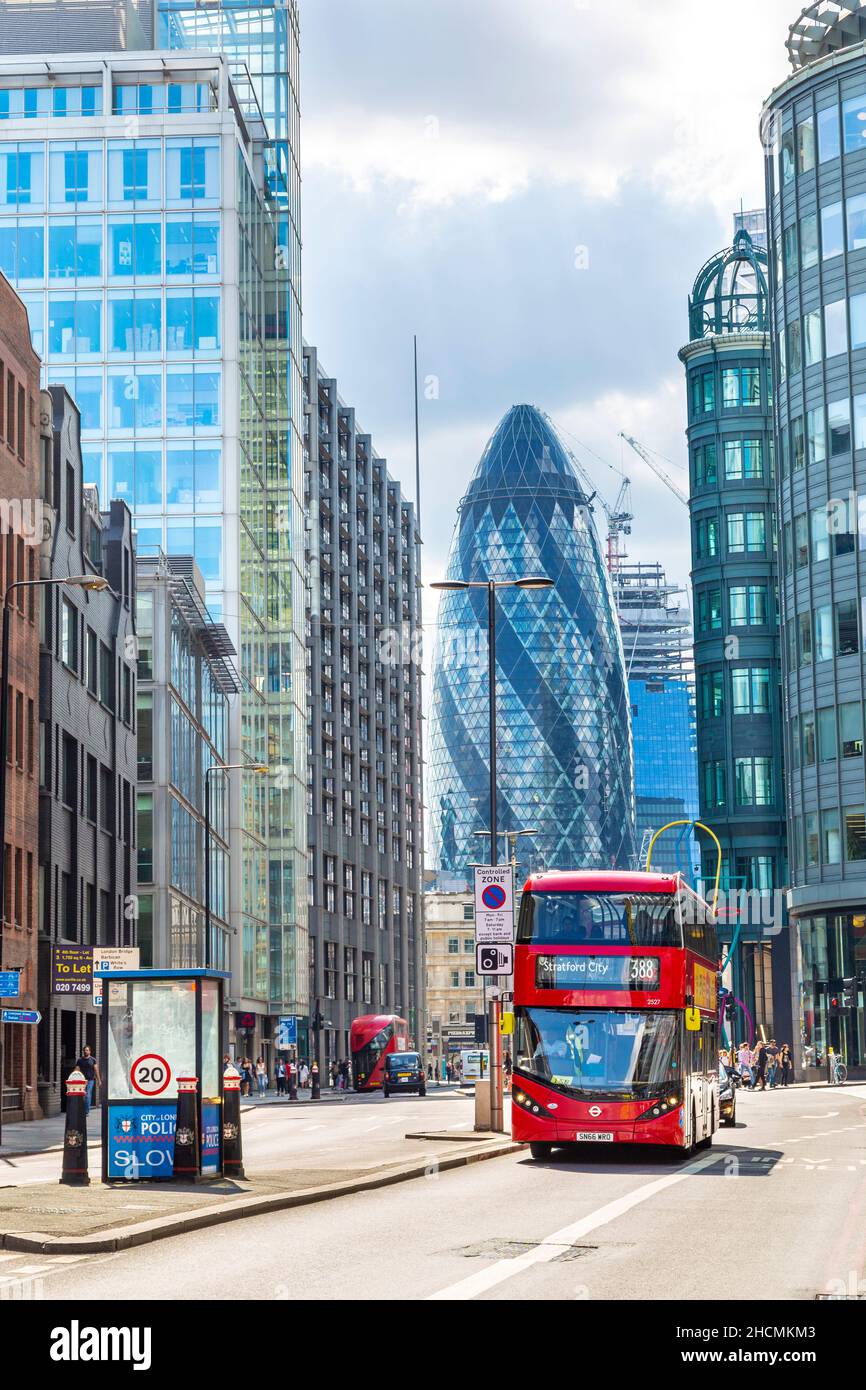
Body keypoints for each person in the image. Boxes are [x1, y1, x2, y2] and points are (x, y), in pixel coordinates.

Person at [76, 1044, 102, 1115]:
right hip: (82, 1081)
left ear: (90, 1051)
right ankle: (83, 1109)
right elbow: (77, 1070)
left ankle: (86, 1111)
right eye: (84, 1050)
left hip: (90, 1080)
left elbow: (96, 1070)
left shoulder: (93, 1060)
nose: (85, 1051)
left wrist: (99, 1080)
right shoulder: (80, 1060)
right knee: (82, 1096)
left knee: (88, 1095)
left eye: (87, 1050)